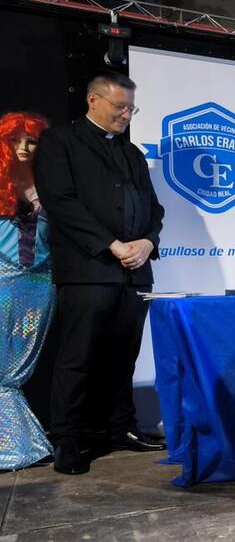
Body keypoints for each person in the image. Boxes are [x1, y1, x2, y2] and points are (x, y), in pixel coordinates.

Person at [34, 72, 166, 476]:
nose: (126, 114)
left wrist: (148, 242)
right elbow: (62, 203)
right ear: (93, 101)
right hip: (88, 270)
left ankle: (121, 427)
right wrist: (111, 245)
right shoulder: (60, 143)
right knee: (77, 358)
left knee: (123, 356)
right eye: (119, 106)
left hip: (134, 273)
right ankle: (68, 441)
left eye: (131, 108)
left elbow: (154, 208)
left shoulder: (132, 153)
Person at [0, 111, 54, 470]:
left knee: (19, 365)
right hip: (2, 278)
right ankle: (13, 446)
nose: (23, 147)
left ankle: (21, 444)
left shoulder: (51, 183)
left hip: (39, 281)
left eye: (31, 140)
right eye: (16, 139)